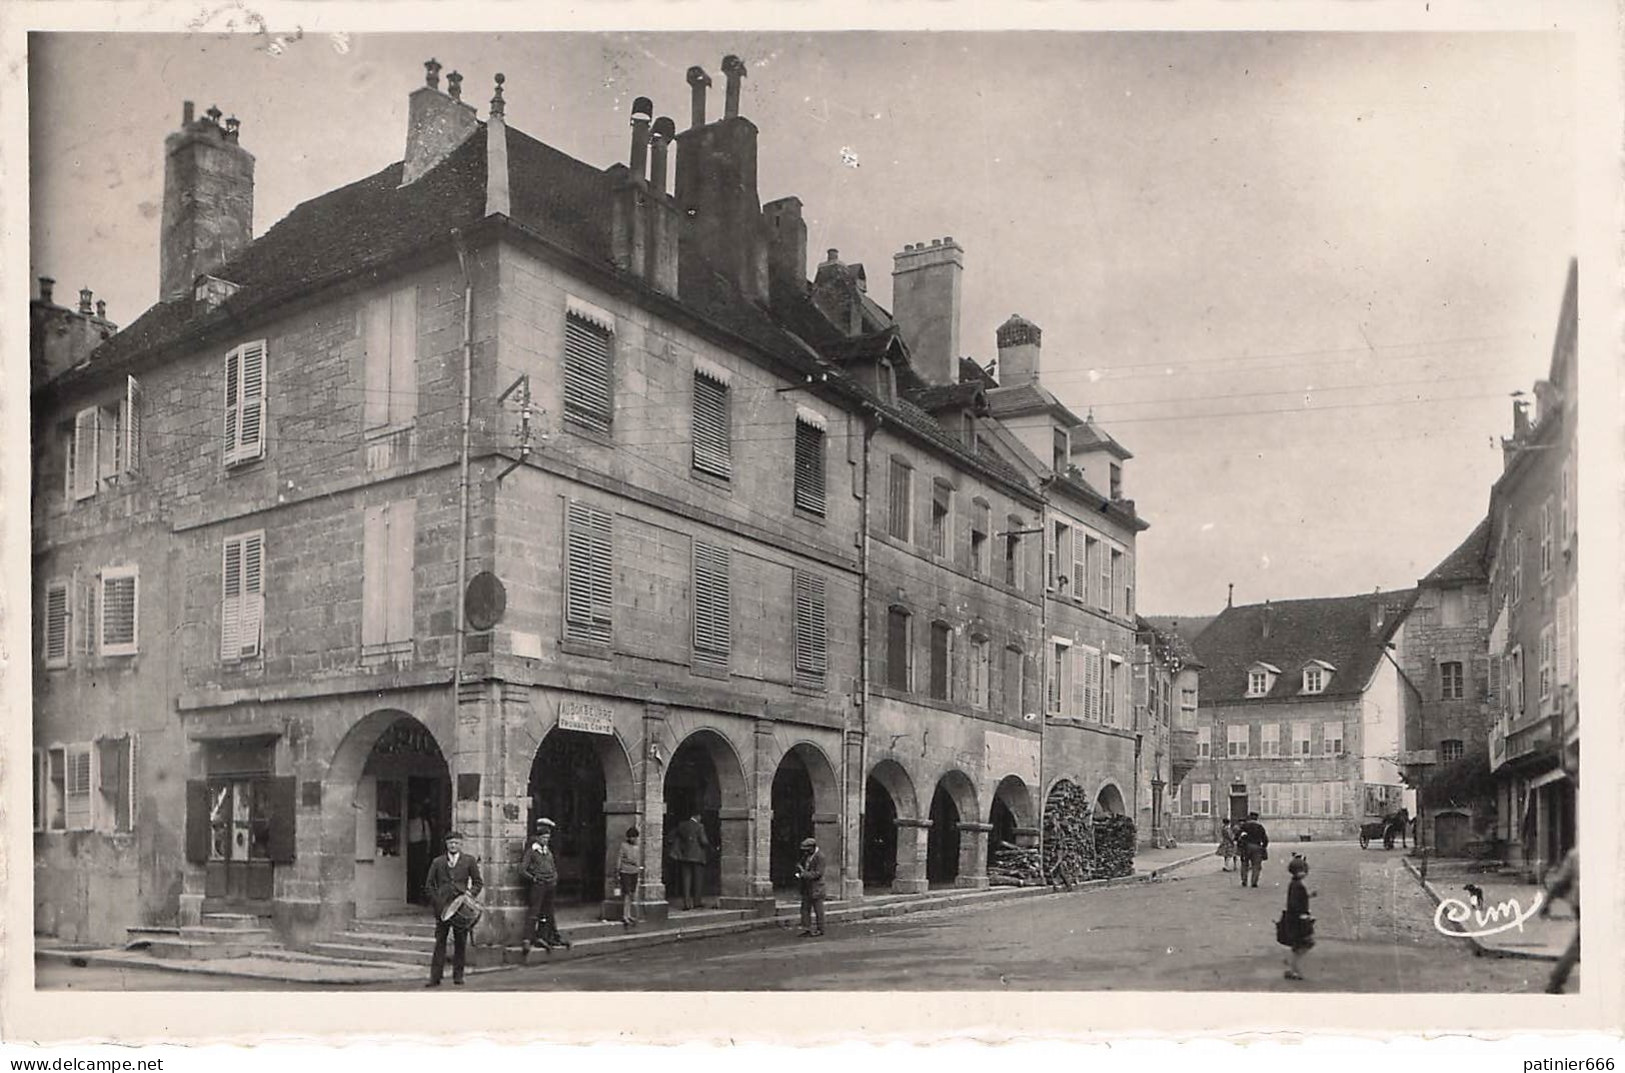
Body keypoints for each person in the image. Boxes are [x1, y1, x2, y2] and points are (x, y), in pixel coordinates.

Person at [424, 830, 483, 987]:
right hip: (443, 908)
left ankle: (458, 976)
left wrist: (469, 895)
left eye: (456, 843)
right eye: (451, 843)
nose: (453, 845)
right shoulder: (438, 862)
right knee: (440, 942)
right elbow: (429, 885)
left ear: (461, 844)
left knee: (460, 942)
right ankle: (435, 977)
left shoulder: (469, 861)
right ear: (446, 844)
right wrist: (437, 902)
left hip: (461, 907)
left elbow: (478, 882)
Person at [521, 817, 570, 951]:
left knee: (547, 912)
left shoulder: (547, 851)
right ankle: (528, 938)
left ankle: (546, 936)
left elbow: (552, 865)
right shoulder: (532, 848)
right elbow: (523, 869)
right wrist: (534, 878)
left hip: (549, 884)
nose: (546, 840)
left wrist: (554, 877)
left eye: (547, 837)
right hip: (539, 884)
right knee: (535, 911)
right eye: (543, 837)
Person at [1539, 846, 1579, 994]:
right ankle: (1555, 981)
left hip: (1580, 902)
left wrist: (1547, 903)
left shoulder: (1576, 854)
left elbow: (1560, 882)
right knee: (1580, 943)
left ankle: (1556, 981)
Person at [1276, 854, 1316, 981]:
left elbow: (1297, 899)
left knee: (1299, 945)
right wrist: (1303, 915)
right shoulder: (1297, 885)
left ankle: (1292, 967)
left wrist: (1309, 896)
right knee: (1304, 944)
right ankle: (1294, 968)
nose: (1305, 873)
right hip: (1297, 920)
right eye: (1303, 871)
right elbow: (1294, 903)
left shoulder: (1294, 884)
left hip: (1294, 919)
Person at [668, 811, 711, 911]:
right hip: (698, 857)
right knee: (698, 880)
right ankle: (697, 902)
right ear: (697, 816)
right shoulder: (700, 826)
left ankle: (686, 903)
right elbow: (704, 841)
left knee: (686, 880)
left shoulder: (682, 825)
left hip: (684, 856)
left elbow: (671, 836)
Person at [795, 836, 827, 938]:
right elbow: (802, 865)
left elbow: (818, 873)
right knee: (804, 909)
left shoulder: (820, 857)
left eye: (807, 850)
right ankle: (806, 928)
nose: (805, 852)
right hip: (806, 887)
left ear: (812, 848)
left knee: (818, 910)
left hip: (817, 887)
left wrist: (804, 874)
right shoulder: (806, 856)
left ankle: (820, 929)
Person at [616, 826, 643, 928]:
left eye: (635, 837)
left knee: (632, 893)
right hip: (625, 871)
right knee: (627, 893)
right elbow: (620, 858)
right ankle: (625, 915)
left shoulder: (637, 847)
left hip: (634, 872)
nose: (634, 839)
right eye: (632, 837)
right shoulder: (624, 846)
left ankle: (629, 914)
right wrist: (617, 870)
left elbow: (638, 860)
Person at [1235, 812, 1269, 888]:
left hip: (1245, 847)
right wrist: (1263, 847)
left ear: (1250, 817)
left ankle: (1244, 880)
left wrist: (1240, 844)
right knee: (1256, 866)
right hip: (1257, 847)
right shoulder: (1260, 827)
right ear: (1257, 818)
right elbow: (1265, 839)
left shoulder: (1244, 826)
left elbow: (1237, 836)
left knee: (1244, 864)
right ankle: (1254, 882)